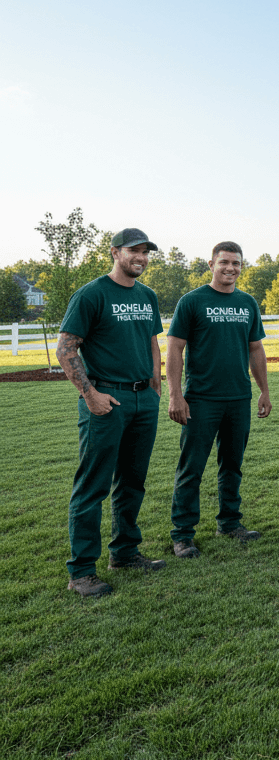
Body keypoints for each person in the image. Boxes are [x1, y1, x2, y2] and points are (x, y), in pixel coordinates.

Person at [57, 227, 166, 598]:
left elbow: (152, 341)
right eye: (134, 250)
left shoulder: (147, 296)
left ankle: (124, 552)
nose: (141, 257)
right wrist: (89, 394)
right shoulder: (91, 294)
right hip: (107, 401)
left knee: (133, 481)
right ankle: (82, 571)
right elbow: (66, 348)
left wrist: (156, 384)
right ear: (115, 252)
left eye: (146, 252)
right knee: (93, 485)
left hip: (142, 400)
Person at [165, 242, 271, 558]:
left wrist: (264, 390)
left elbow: (255, 349)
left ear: (241, 266)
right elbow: (174, 348)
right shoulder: (192, 301)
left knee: (232, 465)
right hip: (200, 400)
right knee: (191, 468)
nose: (230, 268)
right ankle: (182, 535)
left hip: (238, 398)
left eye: (236, 263)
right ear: (211, 264)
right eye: (224, 262)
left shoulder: (247, 303)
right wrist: (175, 395)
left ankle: (229, 522)